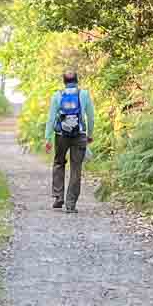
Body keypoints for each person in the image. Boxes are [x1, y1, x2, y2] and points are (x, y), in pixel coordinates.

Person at [44, 70, 94, 213]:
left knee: (59, 163)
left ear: (64, 81)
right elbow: (90, 117)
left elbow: (51, 118)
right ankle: (70, 204)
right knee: (76, 168)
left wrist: (47, 138)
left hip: (61, 135)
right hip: (79, 135)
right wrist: (89, 134)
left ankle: (58, 196)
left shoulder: (57, 96)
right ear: (77, 80)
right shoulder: (84, 94)